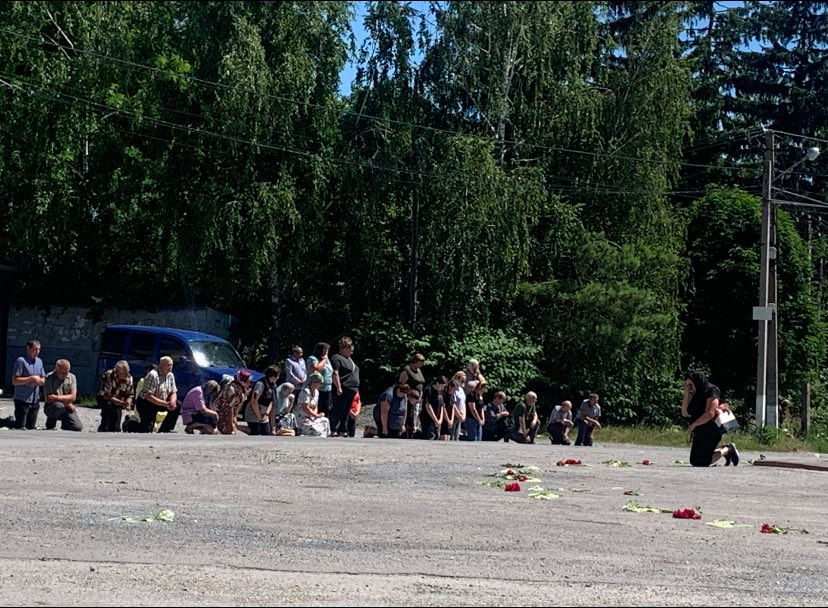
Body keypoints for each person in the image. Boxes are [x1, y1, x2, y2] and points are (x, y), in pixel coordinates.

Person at [682, 371, 739, 467]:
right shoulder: (694, 394)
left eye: (690, 384)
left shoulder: (711, 390)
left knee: (702, 461)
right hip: (699, 430)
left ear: (697, 382)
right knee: (694, 460)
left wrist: (693, 425)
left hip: (711, 429)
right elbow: (684, 413)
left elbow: (710, 413)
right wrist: (686, 394)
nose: (689, 387)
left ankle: (728, 450)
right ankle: (725, 450)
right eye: (687, 385)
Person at [136, 357, 178, 433]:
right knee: (147, 429)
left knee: (177, 405)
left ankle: (165, 429)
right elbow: (149, 396)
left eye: (171, 365)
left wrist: (172, 401)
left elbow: (173, 392)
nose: (170, 367)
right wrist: (165, 404)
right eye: (168, 365)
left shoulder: (170, 375)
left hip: (161, 401)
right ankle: (131, 425)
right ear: (161, 365)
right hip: (146, 402)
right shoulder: (153, 375)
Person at [12, 339, 46, 430]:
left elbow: (43, 379)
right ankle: (7, 422)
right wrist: (31, 379)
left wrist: (39, 381)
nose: (37, 352)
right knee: (20, 426)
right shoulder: (21, 361)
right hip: (22, 399)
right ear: (28, 348)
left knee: (30, 427)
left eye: (39, 349)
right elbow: (15, 381)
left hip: (35, 399)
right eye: (35, 349)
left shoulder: (39, 361)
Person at [331, 336, 360, 438]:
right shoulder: (337, 358)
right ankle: (334, 429)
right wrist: (338, 387)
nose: (351, 353)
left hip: (352, 389)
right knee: (338, 409)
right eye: (350, 350)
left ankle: (342, 429)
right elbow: (335, 373)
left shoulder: (350, 360)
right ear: (345, 348)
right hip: (343, 388)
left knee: (346, 411)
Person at [43, 359, 84, 431]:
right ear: (56, 370)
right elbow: (49, 399)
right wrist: (67, 403)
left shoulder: (72, 377)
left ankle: (65, 424)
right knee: (58, 406)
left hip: (67, 406)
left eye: (66, 372)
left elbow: (73, 397)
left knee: (77, 427)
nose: (64, 375)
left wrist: (56, 397)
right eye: (62, 373)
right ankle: (50, 424)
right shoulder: (48, 377)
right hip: (52, 406)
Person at [97, 360, 133, 432]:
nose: (127, 375)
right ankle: (104, 426)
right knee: (108, 406)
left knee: (116, 428)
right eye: (124, 373)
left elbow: (130, 394)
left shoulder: (129, 377)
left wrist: (128, 402)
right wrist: (122, 403)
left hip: (119, 401)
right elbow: (107, 395)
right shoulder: (109, 375)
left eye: (128, 372)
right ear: (117, 372)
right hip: (107, 399)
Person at [245, 365, 279, 436]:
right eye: (277, 376)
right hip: (254, 412)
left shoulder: (273, 386)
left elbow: (272, 402)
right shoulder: (260, 384)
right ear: (272, 376)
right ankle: (237, 427)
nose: (278, 378)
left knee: (266, 432)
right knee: (256, 431)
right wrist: (259, 416)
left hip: (264, 413)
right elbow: (254, 401)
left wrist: (266, 414)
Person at [215, 369, 251, 435]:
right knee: (230, 432)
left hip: (230, 413)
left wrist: (235, 417)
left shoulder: (242, 389)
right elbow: (230, 408)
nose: (249, 382)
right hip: (222, 412)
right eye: (248, 380)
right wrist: (231, 425)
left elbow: (237, 406)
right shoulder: (232, 389)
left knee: (239, 431)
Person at [399, 353, 426, 437]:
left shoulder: (419, 371)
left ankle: (411, 431)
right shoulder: (407, 370)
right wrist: (407, 395)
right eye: (420, 362)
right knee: (408, 415)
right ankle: (405, 433)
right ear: (415, 361)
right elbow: (401, 384)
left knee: (414, 415)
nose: (422, 364)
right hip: (409, 398)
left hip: (417, 398)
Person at [296, 372, 330, 437]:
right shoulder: (305, 392)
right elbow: (305, 407)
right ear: (314, 382)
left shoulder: (317, 392)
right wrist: (316, 415)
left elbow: (315, 406)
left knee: (325, 420)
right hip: (303, 418)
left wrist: (315, 416)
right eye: (320, 383)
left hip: (312, 417)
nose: (321, 385)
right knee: (313, 428)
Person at [306, 343, 333, 417]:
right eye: (325, 349)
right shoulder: (312, 358)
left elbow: (331, 371)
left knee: (327, 409)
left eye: (327, 350)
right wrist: (324, 359)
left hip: (327, 388)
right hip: (316, 388)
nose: (326, 352)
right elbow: (316, 368)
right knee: (317, 409)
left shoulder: (326, 359)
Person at [419, 376, 447, 440]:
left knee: (436, 437)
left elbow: (442, 406)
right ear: (437, 383)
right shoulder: (429, 390)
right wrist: (435, 420)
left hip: (437, 419)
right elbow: (428, 406)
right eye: (442, 386)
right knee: (430, 437)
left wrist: (440, 420)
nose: (442, 388)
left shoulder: (440, 393)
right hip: (428, 419)